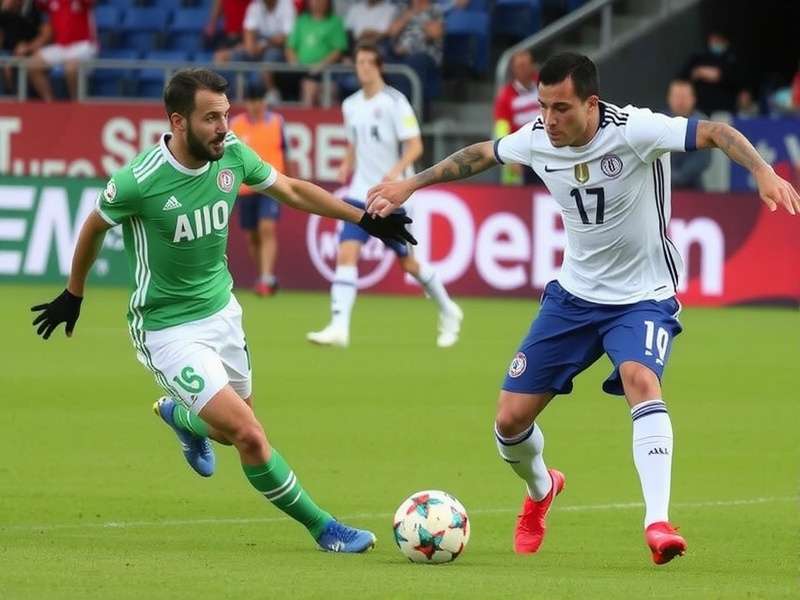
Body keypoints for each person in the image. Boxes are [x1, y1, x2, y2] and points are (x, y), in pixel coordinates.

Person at [367, 52, 800, 564]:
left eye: (562, 109)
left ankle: (657, 522)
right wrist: (409, 185)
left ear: (591, 104)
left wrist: (763, 172)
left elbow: (715, 132)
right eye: (543, 107)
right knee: (509, 421)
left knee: (641, 378)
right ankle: (541, 488)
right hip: (573, 298)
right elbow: (482, 154)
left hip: (643, 296)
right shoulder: (537, 137)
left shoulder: (635, 129)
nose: (549, 120)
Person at [30, 68, 416, 553]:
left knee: (231, 434)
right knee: (250, 435)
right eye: (212, 118)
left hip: (223, 314)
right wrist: (74, 292)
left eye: (226, 115)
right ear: (178, 121)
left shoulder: (232, 155)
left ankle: (181, 417)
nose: (224, 126)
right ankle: (325, 528)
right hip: (168, 331)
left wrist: (364, 218)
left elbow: (293, 190)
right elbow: (93, 226)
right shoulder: (139, 181)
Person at [307, 43, 462, 348]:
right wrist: (346, 163)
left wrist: (397, 171)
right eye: (359, 61)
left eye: (368, 61)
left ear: (378, 66)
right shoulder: (350, 104)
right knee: (347, 252)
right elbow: (355, 142)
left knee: (410, 265)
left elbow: (415, 146)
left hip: (393, 197)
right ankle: (339, 326)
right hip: (359, 193)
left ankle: (449, 310)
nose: (362, 67)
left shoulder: (395, 102)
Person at [230, 81, 291, 296]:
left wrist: (289, 182)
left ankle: (266, 277)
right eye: (251, 100)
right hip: (245, 187)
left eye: (258, 100)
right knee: (252, 237)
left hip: (271, 184)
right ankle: (263, 276)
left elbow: (285, 153)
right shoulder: (235, 124)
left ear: (265, 101)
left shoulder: (276, 122)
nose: (255, 105)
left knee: (267, 228)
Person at [27, 0, 97, 101]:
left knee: (71, 68)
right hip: (61, 46)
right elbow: (40, 4)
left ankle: (76, 103)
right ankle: (50, 104)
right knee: (32, 64)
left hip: (83, 46)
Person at [285, 0, 347, 106]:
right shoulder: (301, 20)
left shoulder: (335, 21)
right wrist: (294, 63)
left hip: (326, 72)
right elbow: (290, 47)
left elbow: (338, 50)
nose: (317, 2)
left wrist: (321, 65)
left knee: (314, 88)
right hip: (301, 71)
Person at [494, 48, 541, 186]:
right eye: (518, 66)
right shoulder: (505, 96)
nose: (522, 70)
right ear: (513, 70)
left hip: (546, 149)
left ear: (532, 65)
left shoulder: (544, 85)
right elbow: (502, 128)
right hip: (522, 154)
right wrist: (509, 157)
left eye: (525, 65)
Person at [680, 31, 742, 115]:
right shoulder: (699, 57)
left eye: (718, 41)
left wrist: (720, 75)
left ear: (725, 42)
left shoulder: (731, 59)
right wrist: (698, 72)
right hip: (700, 109)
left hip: (724, 110)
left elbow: (738, 81)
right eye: (713, 41)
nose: (715, 44)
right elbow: (681, 77)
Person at [666, 79, 710, 189]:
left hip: (693, 189)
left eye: (684, 97)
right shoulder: (659, 122)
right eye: (676, 97)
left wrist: (675, 178)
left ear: (693, 99)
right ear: (669, 98)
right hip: (663, 188)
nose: (680, 102)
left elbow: (701, 160)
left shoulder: (703, 124)